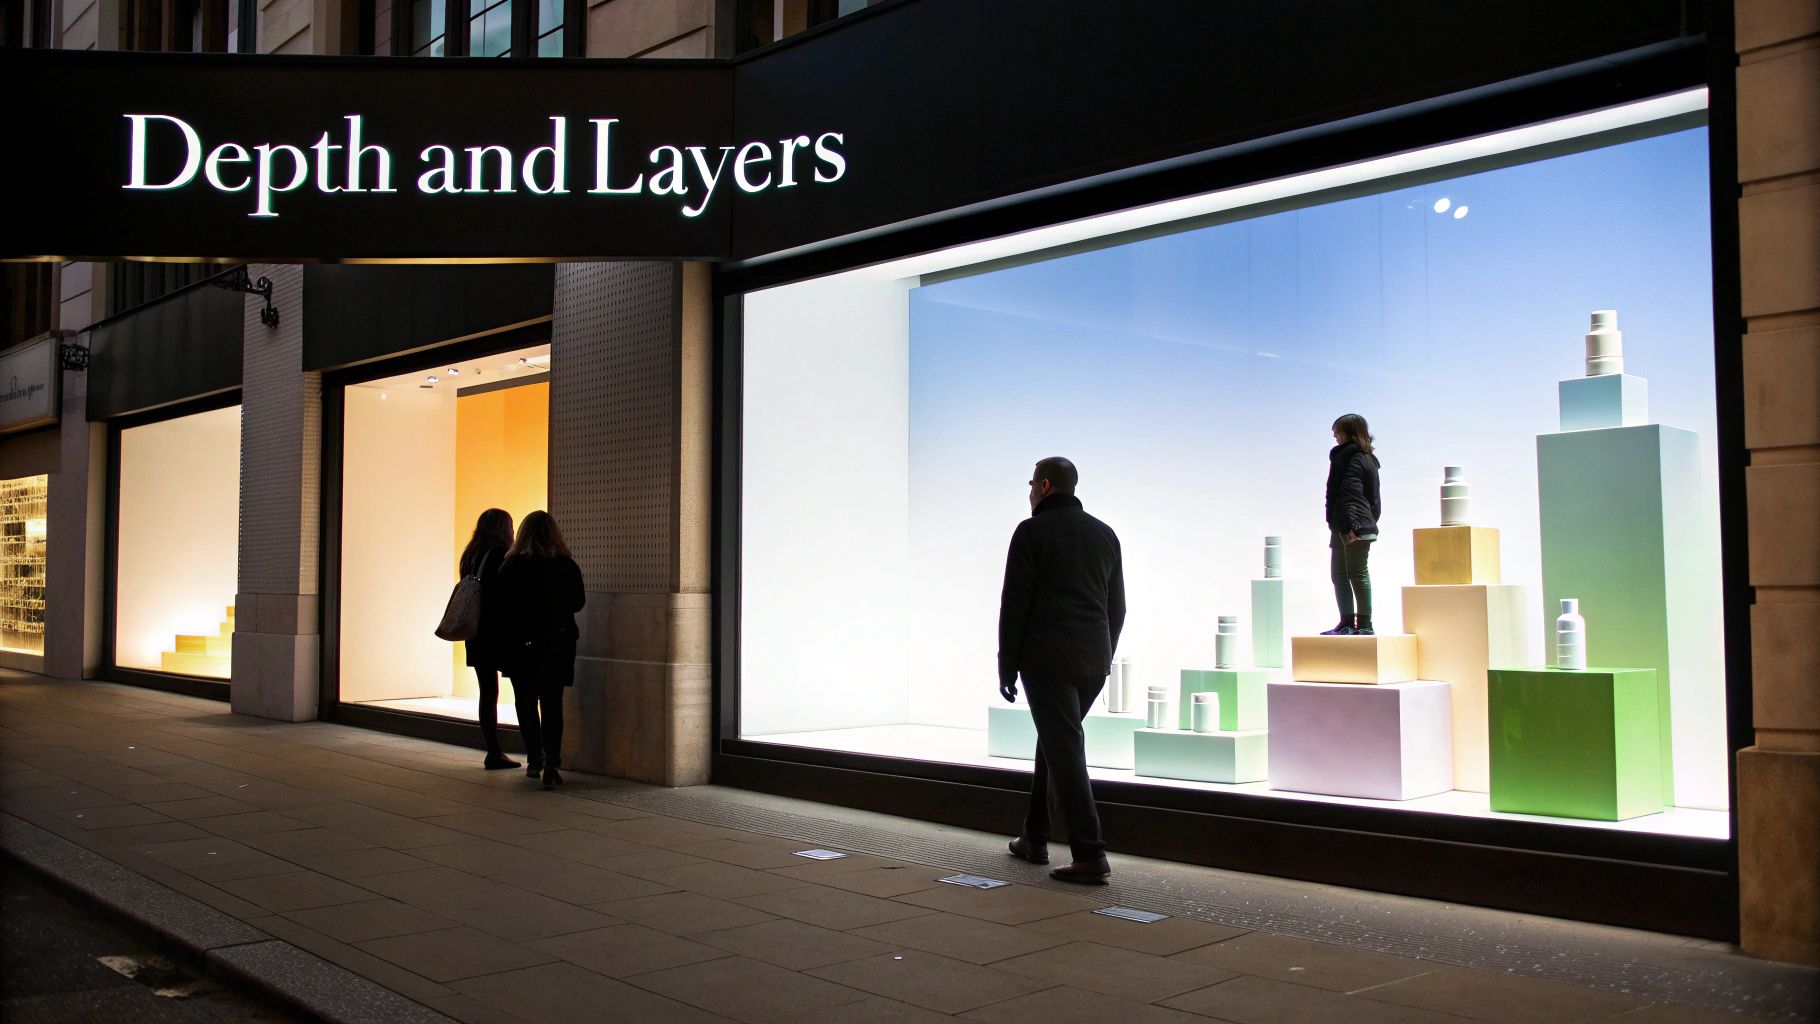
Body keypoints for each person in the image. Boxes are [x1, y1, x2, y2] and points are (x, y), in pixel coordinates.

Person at [997, 456, 1126, 885]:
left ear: (1046, 485)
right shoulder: (1104, 534)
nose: (1030, 491)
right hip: (1092, 661)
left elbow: (1015, 604)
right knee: (1056, 743)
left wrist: (1007, 664)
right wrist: (1104, 654)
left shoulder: (1031, 531)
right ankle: (1033, 837)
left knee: (1065, 750)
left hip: (1047, 660)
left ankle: (1090, 854)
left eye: (1031, 483)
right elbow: (1117, 607)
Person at [496, 510, 586, 790]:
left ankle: (535, 758)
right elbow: (577, 602)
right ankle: (553, 762)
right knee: (551, 703)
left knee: (524, 701)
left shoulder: (510, 566)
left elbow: (502, 606)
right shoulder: (566, 565)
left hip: (521, 644)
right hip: (557, 644)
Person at [459, 508, 520, 770]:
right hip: (497, 632)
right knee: (518, 688)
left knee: (487, 691)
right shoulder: (499, 555)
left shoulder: (470, 555)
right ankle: (498, 751)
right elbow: (505, 594)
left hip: (475, 632)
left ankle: (493, 749)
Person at [1323, 413, 1382, 636]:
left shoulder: (1354, 458)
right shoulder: (1356, 457)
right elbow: (1373, 499)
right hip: (1342, 524)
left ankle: (1364, 625)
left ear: (1351, 431)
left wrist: (1355, 525)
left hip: (1351, 525)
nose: (1334, 435)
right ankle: (1347, 623)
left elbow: (1350, 493)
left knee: (1356, 573)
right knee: (1339, 574)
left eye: (1338, 430)